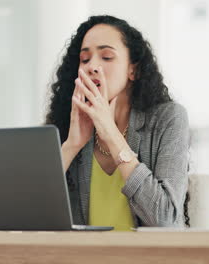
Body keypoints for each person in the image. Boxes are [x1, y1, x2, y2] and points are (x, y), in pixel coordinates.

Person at [46, 15, 190, 230]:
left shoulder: (168, 118)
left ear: (134, 70)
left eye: (106, 56)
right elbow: (25, 217)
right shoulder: (66, 125)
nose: (92, 66)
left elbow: (165, 220)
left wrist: (111, 134)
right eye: (85, 60)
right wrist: (71, 146)